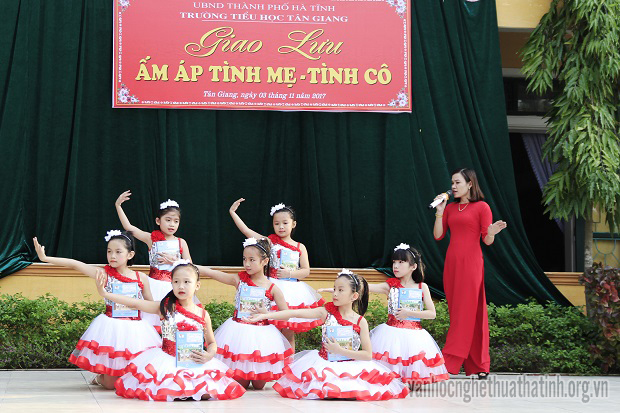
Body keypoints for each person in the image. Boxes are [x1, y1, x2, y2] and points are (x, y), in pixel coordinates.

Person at [248, 269, 409, 401]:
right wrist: (267, 314)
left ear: (354, 296)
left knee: (354, 391)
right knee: (325, 391)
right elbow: (294, 313)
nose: (335, 294)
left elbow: (367, 355)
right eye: (334, 288)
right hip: (324, 363)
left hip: (352, 365)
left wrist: (341, 351)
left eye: (340, 290)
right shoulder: (325, 312)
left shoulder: (361, 322)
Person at [97, 260, 246, 401]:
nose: (181, 286)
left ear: (197, 285)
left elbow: (212, 343)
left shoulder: (202, 314)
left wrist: (209, 355)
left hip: (194, 361)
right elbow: (136, 303)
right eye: (176, 282)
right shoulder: (164, 307)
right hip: (168, 361)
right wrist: (105, 294)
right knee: (167, 391)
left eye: (187, 282)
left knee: (208, 392)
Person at [33, 231, 161, 390]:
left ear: (130, 254)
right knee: (110, 385)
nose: (112, 256)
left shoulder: (141, 277)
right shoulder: (103, 274)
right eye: (109, 251)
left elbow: (151, 304)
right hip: (112, 329)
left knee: (137, 376)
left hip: (136, 330)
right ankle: (100, 378)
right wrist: (45, 258)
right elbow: (76, 264)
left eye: (118, 252)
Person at [433, 168, 507, 378]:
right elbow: (438, 235)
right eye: (452, 182)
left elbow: (487, 240)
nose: (453, 186)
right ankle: (479, 365)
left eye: (457, 182)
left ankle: (450, 361)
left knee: (465, 312)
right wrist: (440, 211)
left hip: (471, 264)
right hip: (452, 264)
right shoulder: (450, 208)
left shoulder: (482, 207)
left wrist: (491, 233)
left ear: (470, 184)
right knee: (462, 312)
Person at [197, 237, 293, 390]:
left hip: (262, 335)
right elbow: (213, 273)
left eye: (252, 260)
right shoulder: (239, 279)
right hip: (238, 332)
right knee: (241, 383)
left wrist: (267, 313)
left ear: (265, 261)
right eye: (244, 259)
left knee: (259, 385)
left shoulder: (272, 288)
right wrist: (190, 266)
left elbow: (286, 314)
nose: (247, 264)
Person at [229, 199, 324, 350]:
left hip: (293, 291)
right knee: (270, 328)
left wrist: (289, 273)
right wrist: (233, 213)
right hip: (272, 287)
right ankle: (272, 356)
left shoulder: (300, 247)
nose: (281, 227)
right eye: (276, 223)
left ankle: (289, 361)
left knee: (288, 329)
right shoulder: (270, 242)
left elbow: (306, 271)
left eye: (285, 223)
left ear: (293, 224)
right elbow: (247, 231)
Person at [368, 244, 449, 385]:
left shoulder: (422, 287)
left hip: (414, 335)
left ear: (413, 266)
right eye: (394, 262)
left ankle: (408, 380)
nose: (396, 266)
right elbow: (367, 287)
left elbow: (432, 313)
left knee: (411, 363)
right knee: (391, 363)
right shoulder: (391, 285)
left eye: (401, 262)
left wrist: (409, 313)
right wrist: (349, 284)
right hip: (391, 333)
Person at [115, 191, 196, 330]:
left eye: (176, 221)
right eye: (168, 220)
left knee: (173, 321)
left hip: (174, 286)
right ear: (158, 221)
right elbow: (129, 228)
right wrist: (118, 206)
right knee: (151, 320)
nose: (172, 224)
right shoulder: (151, 238)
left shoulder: (181, 242)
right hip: (152, 286)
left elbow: (191, 268)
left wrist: (176, 262)